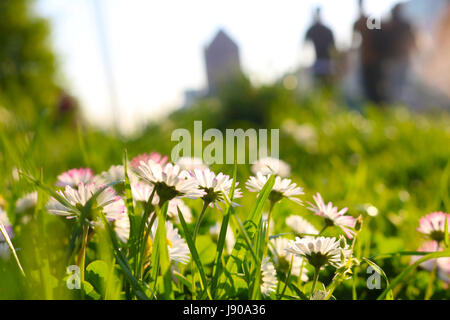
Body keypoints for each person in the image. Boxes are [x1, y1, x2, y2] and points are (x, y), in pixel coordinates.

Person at [353, 0, 388, 104]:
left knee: (375, 87)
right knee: (370, 87)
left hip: (373, 59)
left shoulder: (369, 20)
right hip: (368, 59)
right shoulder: (361, 21)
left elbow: (379, 37)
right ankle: (375, 106)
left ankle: (378, 107)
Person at [384, 3, 416, 103]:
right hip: (394, 59)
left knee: (399, 84)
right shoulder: (389, 25)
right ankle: (395, 104)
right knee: (394, 84)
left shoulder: (401, 25)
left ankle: (398, 104)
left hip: (400, 58)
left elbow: (412, 40)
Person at [304, 7, 336, 85]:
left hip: (327, 62)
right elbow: (305, 46)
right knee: (319, 85)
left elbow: (333, 48)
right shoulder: (311, 30)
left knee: (327, 84)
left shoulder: (327, 30)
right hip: (316, 62)